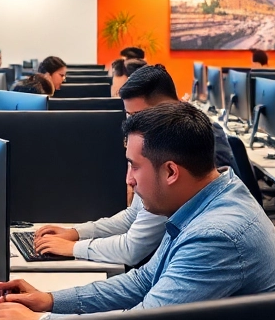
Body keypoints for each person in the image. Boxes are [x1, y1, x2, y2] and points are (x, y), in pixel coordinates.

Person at [0, 103, 275, 320]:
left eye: (134, 166)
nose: (128, 179)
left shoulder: (215, 236)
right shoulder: (207, 200)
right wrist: (50, 300)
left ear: (170, 171)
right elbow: (143, 281)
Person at [34, 67, 221, 265]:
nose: (132, 123)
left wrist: (73, 247)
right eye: (129, 116)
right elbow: (133, 215)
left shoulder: (177, 147)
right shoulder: (154, 144)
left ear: (164, 108)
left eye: (137, 115)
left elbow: (132, 248)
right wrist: (75, 233)